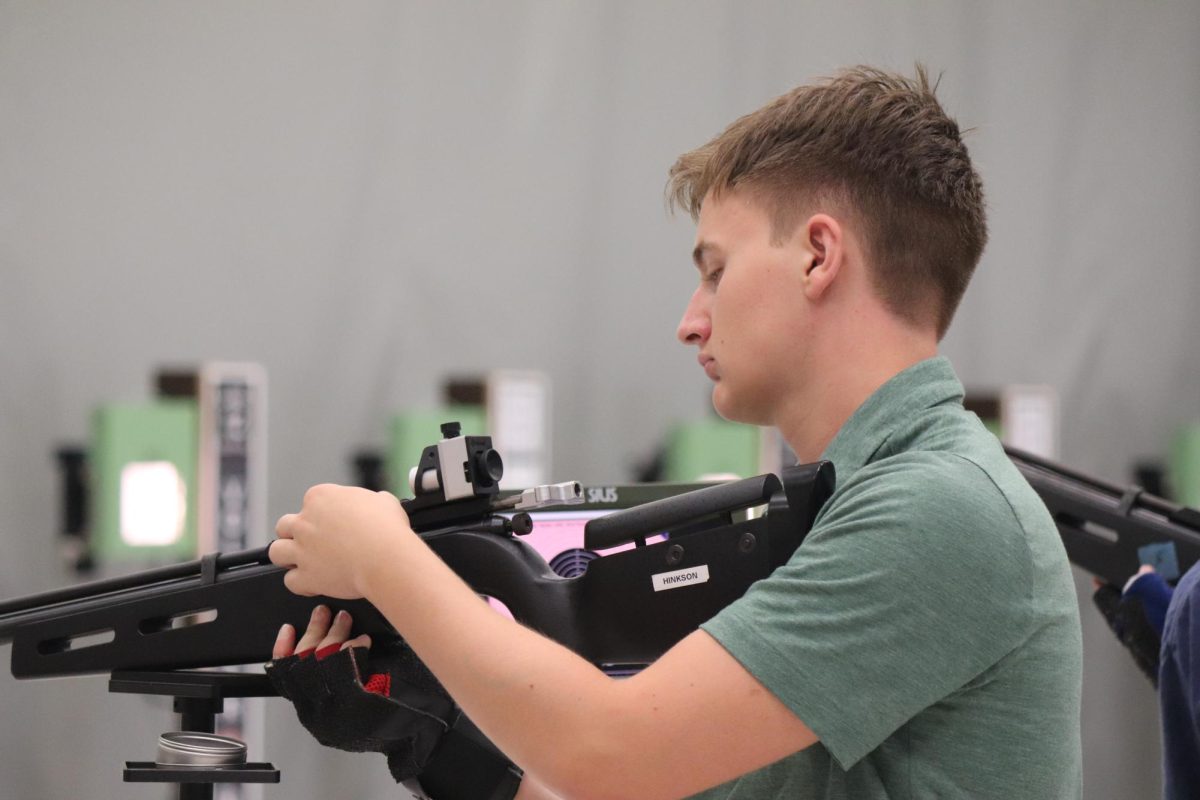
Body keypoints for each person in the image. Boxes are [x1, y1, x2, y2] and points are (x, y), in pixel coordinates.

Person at [268, 65, 1083, 799]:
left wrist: (387, 561)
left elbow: (614, 755)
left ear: (817, 257)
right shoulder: (862, 512)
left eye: (716, 270)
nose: (691, 323)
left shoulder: (938, 508)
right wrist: (437, 739)